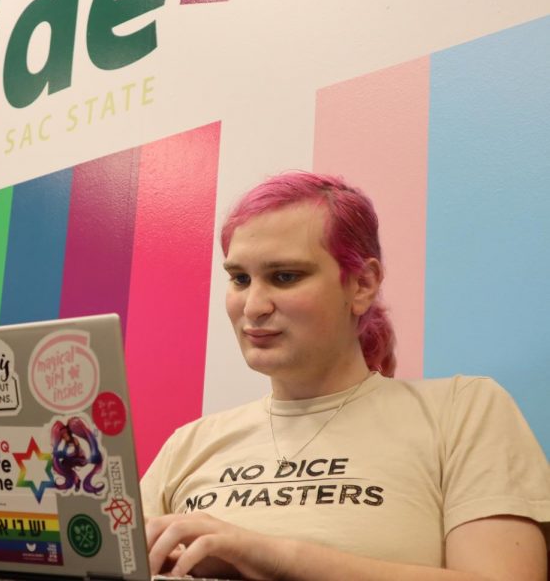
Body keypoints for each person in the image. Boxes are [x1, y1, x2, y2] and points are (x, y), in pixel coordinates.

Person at [140, 171, 549, 580]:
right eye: (240, 279)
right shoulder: (189, 445)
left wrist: (266, 554)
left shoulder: (462, 410)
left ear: (362, 285)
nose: (253, 307)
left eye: (285, 276)